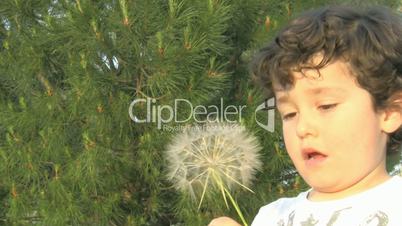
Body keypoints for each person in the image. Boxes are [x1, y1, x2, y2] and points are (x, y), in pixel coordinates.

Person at [209, 5, 402, 226]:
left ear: (390, 112)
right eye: (290, 114)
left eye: (326, 106)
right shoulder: (271, 216)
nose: (303, 128)